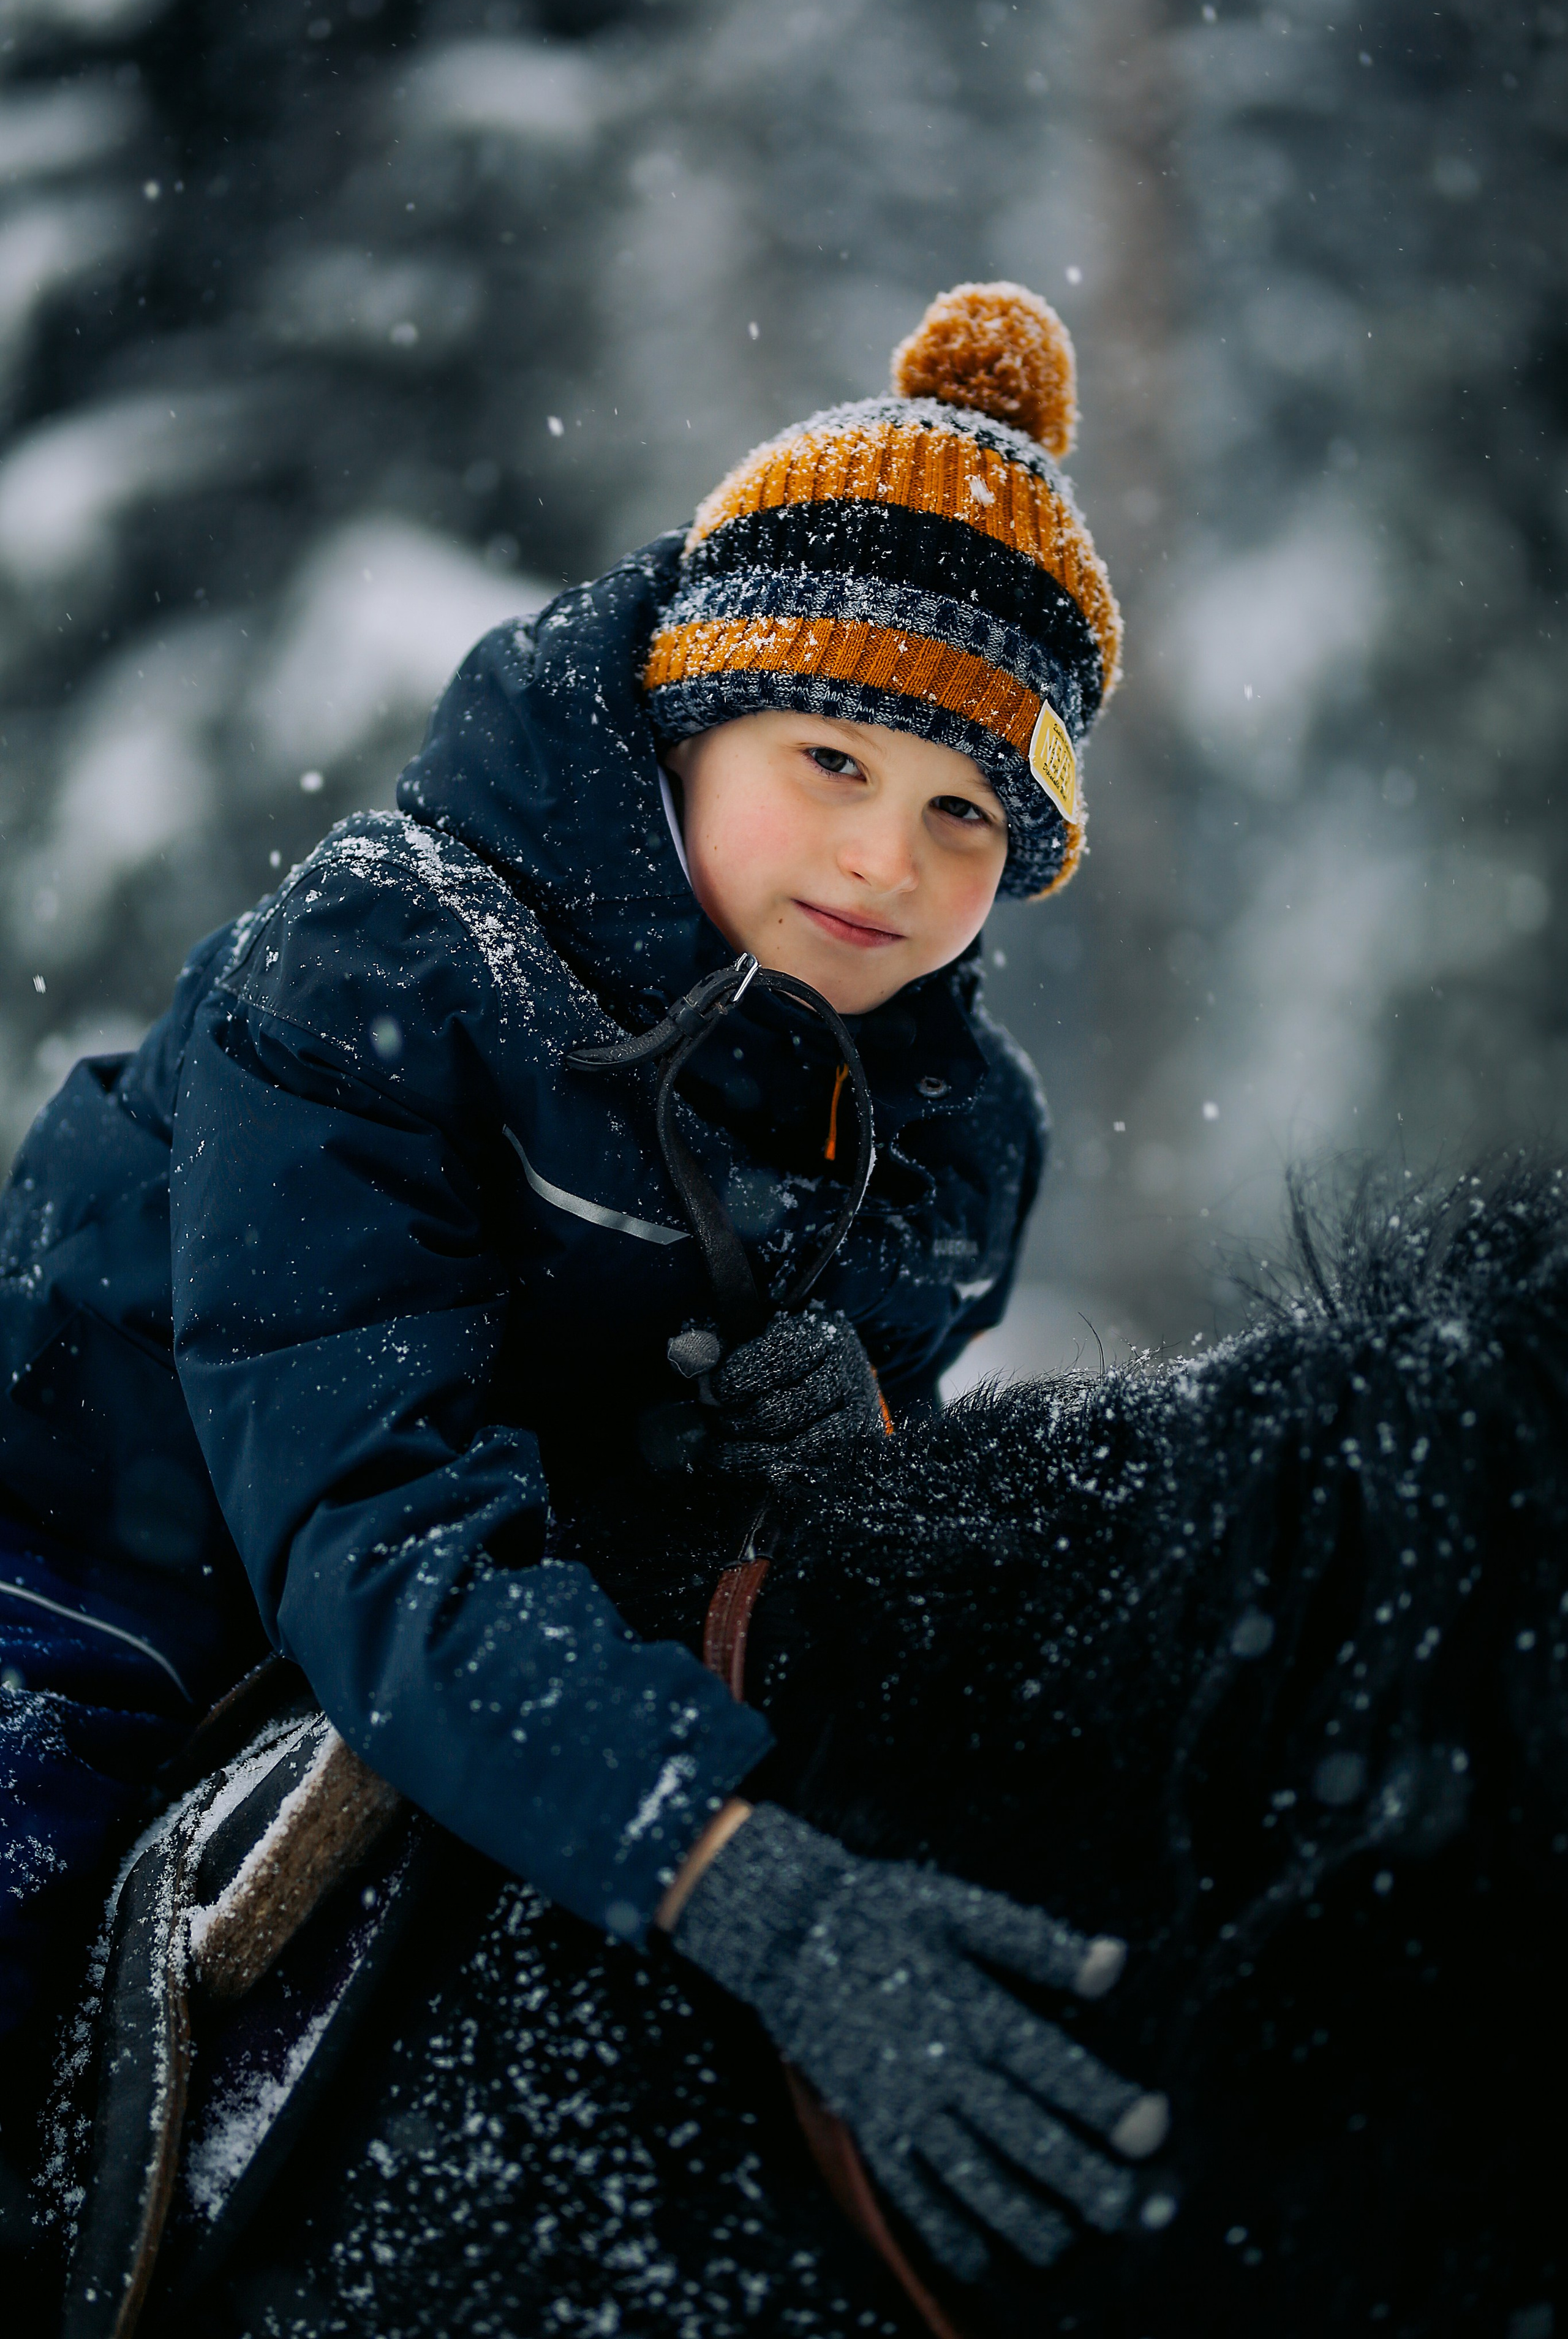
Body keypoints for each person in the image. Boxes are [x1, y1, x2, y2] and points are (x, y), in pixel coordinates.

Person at [0, 283, 1164, 2278]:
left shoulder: (956, 1132)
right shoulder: (383, 973)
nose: (887, 859)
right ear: (690, 719)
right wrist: (728, 1872)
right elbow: (367, 1506)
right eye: (832, 756)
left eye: (969, 809)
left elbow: (867, 1441)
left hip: (530, 1549)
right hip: (116, 1547)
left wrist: (852, 1418)